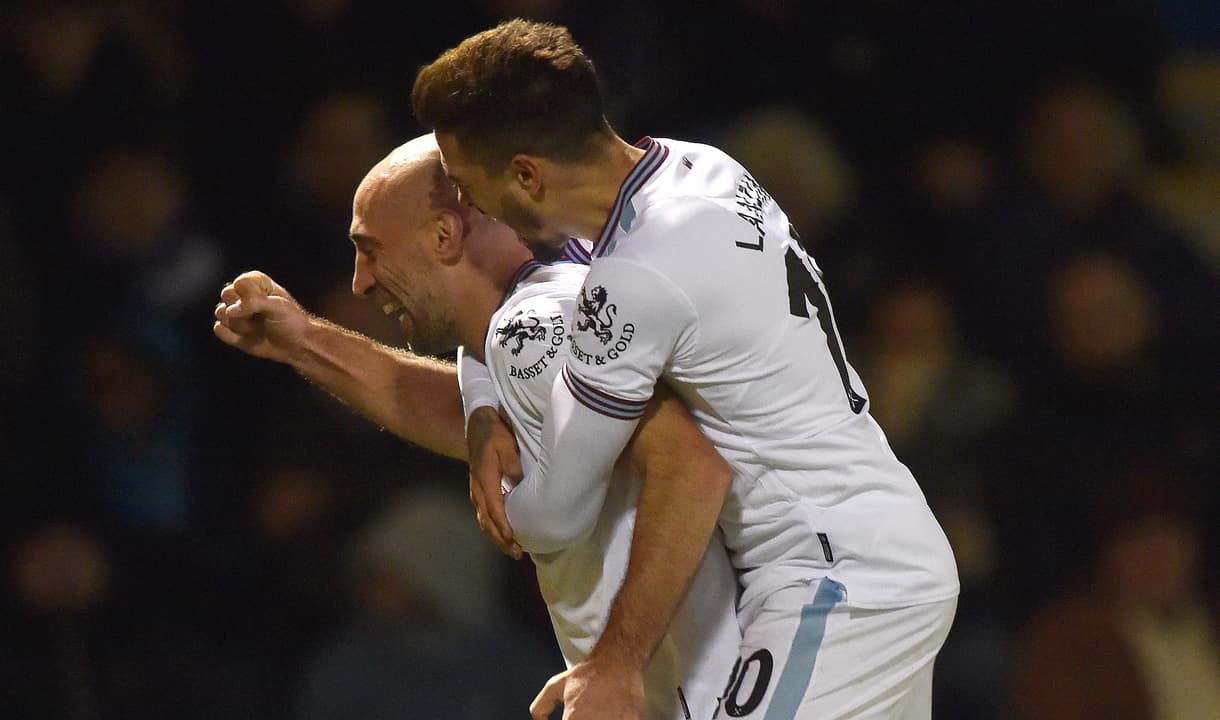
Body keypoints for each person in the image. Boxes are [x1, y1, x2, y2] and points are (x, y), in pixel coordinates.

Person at [412, 19, 959, 719]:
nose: (471, 208)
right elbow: (529, 296)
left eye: (466, 185)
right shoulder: (701, 169)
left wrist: (607, 662)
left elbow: (558, 508)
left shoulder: (637, 278)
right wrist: (485, 402)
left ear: (525, 173)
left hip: (837, 579)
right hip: (876, 545)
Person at [212, 134, 742, 720]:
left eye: (369, 248)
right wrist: (305, 342)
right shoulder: (521, 335)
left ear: (443, 234)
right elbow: (456, 405)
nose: (360, 282)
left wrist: (617, 663)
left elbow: (691, 467)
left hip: (730, 692)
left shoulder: (538, 324)